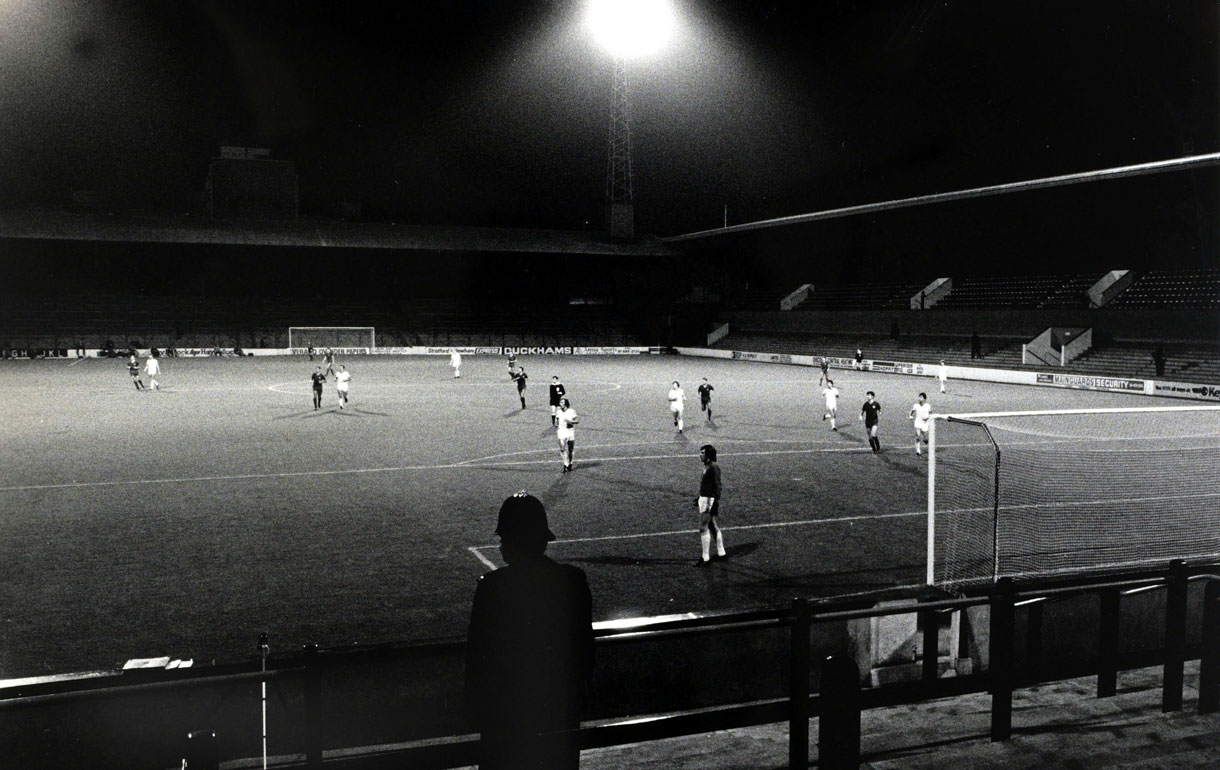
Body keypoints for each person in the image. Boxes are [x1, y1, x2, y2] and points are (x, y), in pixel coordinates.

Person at [464, 492, 593, 770]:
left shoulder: (492, 587)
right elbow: (584, 650)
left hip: (507, 716)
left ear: (511, 541)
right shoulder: (572, 581)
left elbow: (477, 657)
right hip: (559, 711)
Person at [695, 444, 726, 566]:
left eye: (703, 453)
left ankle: (705, 558)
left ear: (708, 455)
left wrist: (715, 502)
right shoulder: (707, 467)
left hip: (709, 500)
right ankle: (721, 552)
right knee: (712, 526)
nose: (700, 455)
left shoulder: (714, 468)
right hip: (705, 499)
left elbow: (718, 486)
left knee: (703, 527)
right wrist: (699, 497)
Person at [555, 397, 578, 472]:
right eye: (560, 402)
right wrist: (557, 425)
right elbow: (557, 420)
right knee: (562, 449)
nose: (560, 404)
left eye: (562, 402)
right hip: (561, 431)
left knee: (570, 449)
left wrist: (570, 421)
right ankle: (565, 464)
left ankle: (570, 463)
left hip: (570, 431)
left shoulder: (571, 411)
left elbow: (577, 421)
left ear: (566, 404)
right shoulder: (558, 412)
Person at [910, 392, 932, 456]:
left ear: (924, 399)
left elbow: (931, 414)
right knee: (917, 436)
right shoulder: (916, 405)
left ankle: (925, 440)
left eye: (921, 397)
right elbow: (912, 411)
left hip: (925, 423)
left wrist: (929, 419)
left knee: (925, 439)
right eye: (919, 397)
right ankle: (918, 451)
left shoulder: (928, 406)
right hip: (918, 422)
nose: (919, 398)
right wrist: (910, 416)